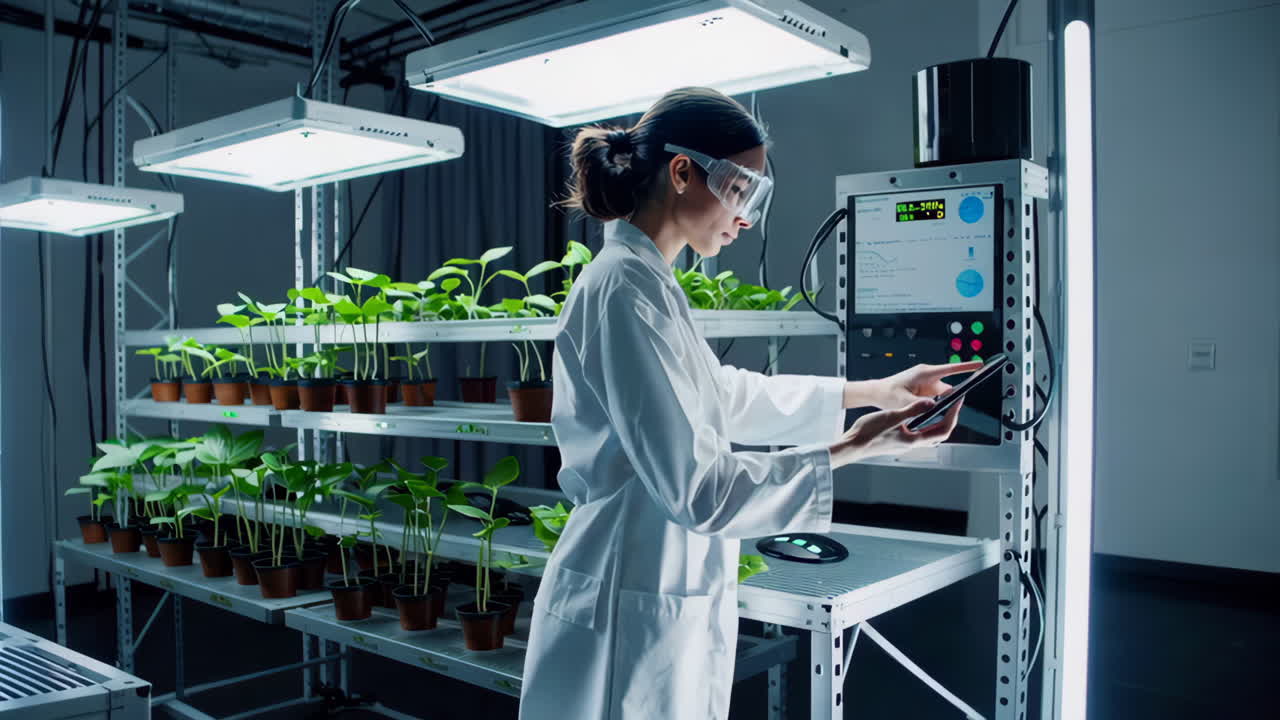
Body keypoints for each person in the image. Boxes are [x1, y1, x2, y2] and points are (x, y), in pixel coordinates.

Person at [518, 87, 977, 720]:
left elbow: (721, 394)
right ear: (682, 172)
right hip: (627, 590)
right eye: (740, 191)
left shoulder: (647, 282)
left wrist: (872, 392)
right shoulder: (623, 289)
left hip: (653, 581)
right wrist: (855, 445)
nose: (747, 219)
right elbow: (700, 490)